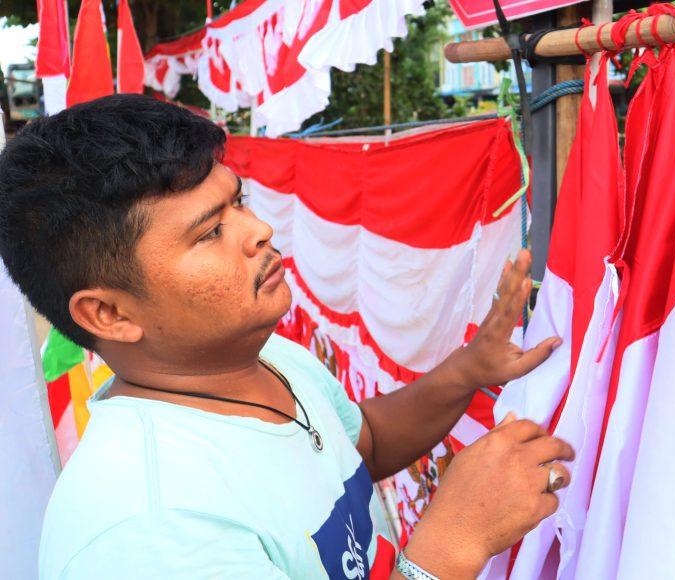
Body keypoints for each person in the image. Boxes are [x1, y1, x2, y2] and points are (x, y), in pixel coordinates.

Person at [0, 94, 573, 580]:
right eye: (210, 232)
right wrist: (452, 544)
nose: (259, 230)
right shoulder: (148, 528)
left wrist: (468, 369)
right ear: (107, 313)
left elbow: (361, 443)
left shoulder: (264, 357)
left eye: (238, 201)